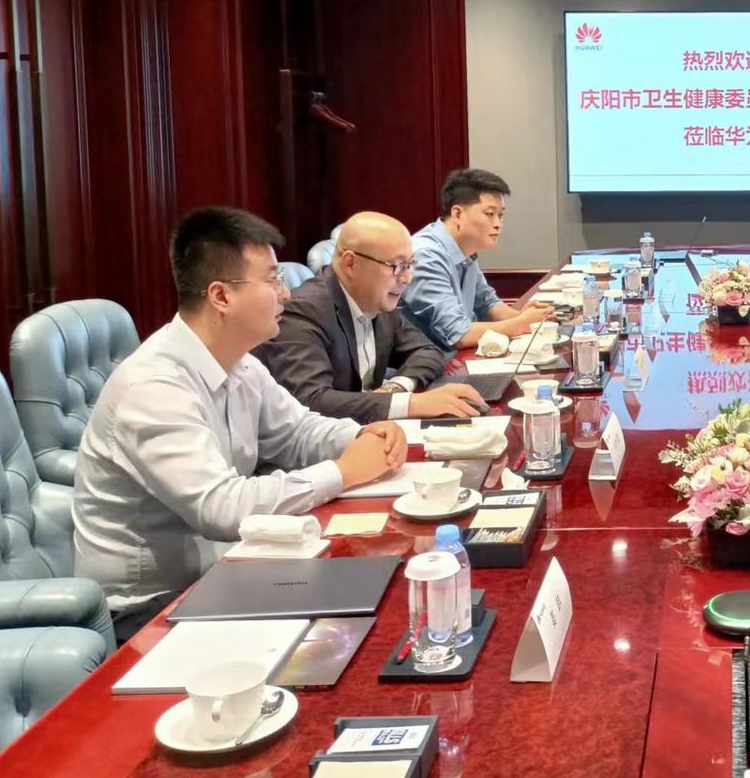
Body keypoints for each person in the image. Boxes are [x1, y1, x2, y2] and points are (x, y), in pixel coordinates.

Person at [74, 208, 409, 641]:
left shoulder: (240, 363)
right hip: (149, 610)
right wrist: (343, 471)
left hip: (229, 570)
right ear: (221, 296)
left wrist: (362, 436)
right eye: (272, 280)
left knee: (379, 595)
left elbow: (297, 432)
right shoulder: (153, 387)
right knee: (348, 634)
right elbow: (220, 508)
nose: (285, 294)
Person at [259, 211, 485, 423]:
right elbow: (312, 401)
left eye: (410, 265)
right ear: (350, 263)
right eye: (397, 266)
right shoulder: (303, 311)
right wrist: (409, 404)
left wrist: (396, 388)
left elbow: (426, 351)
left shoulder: (377, 300)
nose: (406, 278)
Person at [401, 168, 555, 350]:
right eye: (489, 214)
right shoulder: (426, 256)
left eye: (501, 215)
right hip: (429, 363)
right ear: (458, 214)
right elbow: (459, 334)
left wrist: (523, 316)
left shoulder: (465, 249)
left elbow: (487, 304)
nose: (498, 224)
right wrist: (521, 323)